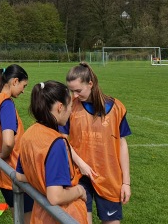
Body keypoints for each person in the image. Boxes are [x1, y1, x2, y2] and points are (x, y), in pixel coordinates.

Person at [62, 62, 131, 224]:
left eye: (78, 90)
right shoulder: (70, 107)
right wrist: (81, 164)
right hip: (80, 175)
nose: (75, 95)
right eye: (71, 91)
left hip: (109, 178)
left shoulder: (116, 108)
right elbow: (63, 141)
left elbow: (122, 144)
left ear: (90, 84)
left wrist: (126, 182)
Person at [15, 81, 88, 223]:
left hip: (40, 214)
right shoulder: (56, 142)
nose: (71, 112)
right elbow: (55, 196)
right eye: (70, 107)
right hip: (64, 215)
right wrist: (80, 190)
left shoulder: (29, 133)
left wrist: (41, 180)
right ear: (60, 107)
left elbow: (20, 175)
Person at [0, 64, 33, 223]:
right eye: (24, 86)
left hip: (6, 174)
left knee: (18, 218)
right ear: (15, 81)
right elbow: (8, 141)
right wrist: (1, 155)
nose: (23, 90)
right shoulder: (6, 104)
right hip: (15, 172)